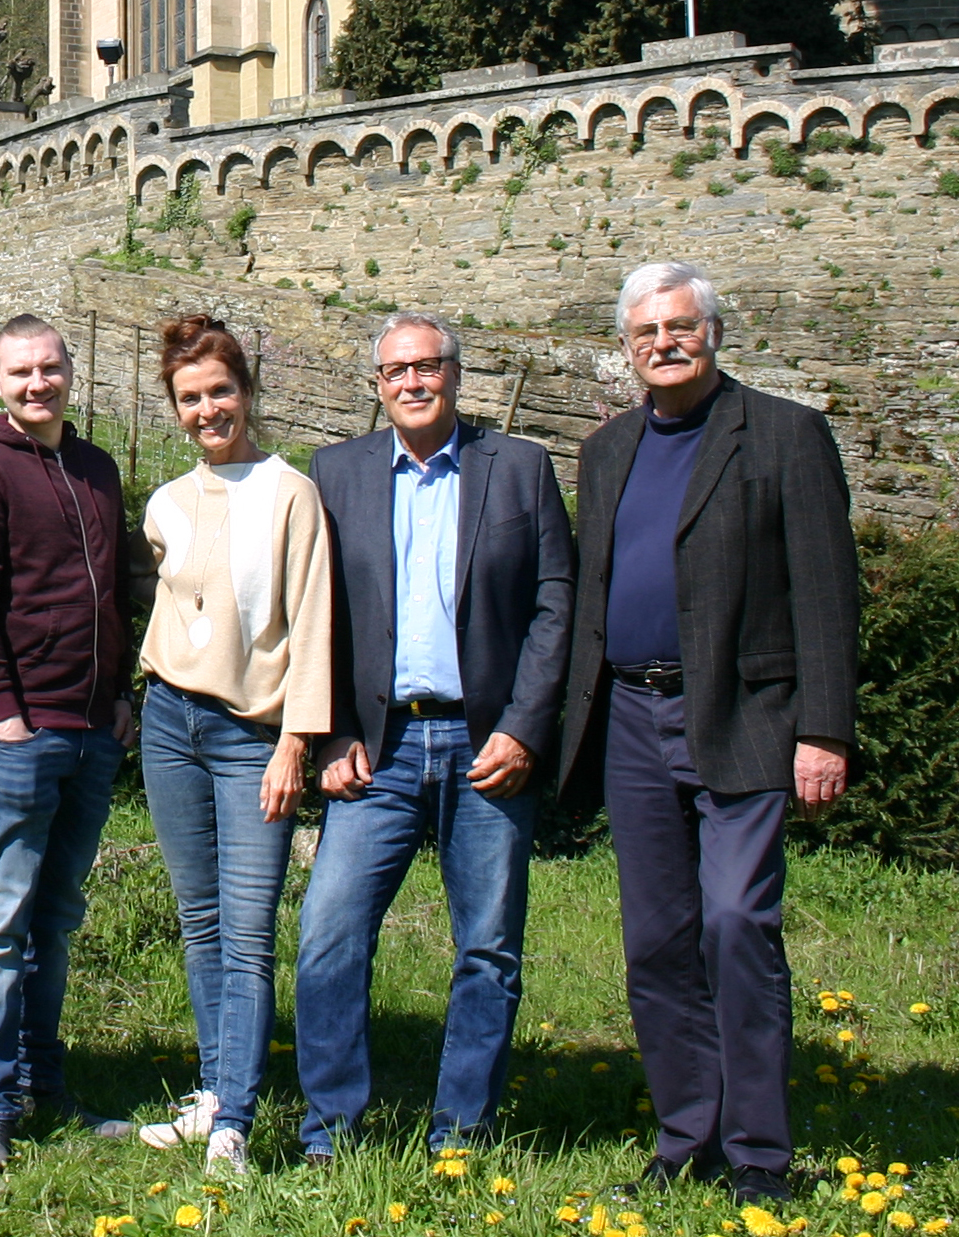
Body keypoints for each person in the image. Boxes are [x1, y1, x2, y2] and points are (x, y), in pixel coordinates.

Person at [558, 262, 857, 1206]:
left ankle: (761, 1152)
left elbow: (825, 589)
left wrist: (827, 730)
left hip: (747, 714)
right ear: (626, 348)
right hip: (633, 720)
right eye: (646, 333)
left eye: (681, 327)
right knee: (656, 940)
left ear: (714, 332)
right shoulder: (606, 451)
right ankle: (688, 1132)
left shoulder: (784, 434)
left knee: (736, 923)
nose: (664, 344)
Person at [293, 310, 574, 1162]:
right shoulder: (334, 473)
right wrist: (331, 732)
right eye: (394, 372)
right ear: (377, 387)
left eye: (427, 367)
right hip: (375, 747)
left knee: (488, 946)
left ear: (456, 374)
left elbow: (556, 602)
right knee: (329, 936)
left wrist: (526, 727)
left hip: (486, 744)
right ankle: (330, 1128)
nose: (412, 383)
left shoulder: (519, 468)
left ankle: (463, 1127)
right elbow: (315, 615)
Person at [0, 313, 135, 1174]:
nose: (36, 385)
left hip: (92, 730)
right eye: (20, 373)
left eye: (48, 369)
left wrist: (119, 700)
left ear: (68, 372)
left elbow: (119, 588)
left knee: (55, 919)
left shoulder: (96, 467)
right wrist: (2, 711)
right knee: (0, 921)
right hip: (20, 733)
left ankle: (43, 1080)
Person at [133, 316, 333, 1175]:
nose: (206, 408)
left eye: (219, 390)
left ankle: (235, 1124)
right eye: (190, 397)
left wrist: (297, 740)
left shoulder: (292, 493)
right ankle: (214, 1091)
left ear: (245, 392)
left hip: (253, 734)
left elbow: (315, 623)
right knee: (200, 921)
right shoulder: (168, 502)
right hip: (169, 723)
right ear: (175, 410)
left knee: (249, 933)